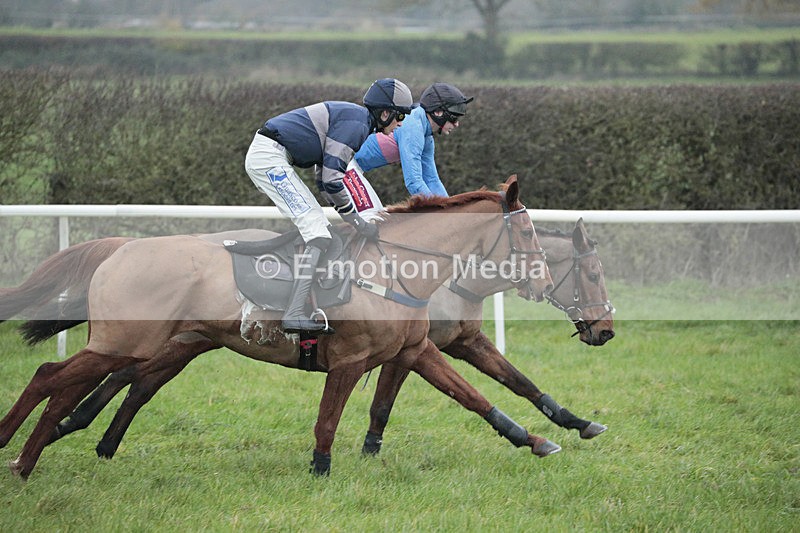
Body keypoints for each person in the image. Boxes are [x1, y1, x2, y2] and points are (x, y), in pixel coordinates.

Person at [244, 78, 413, 333]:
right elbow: (332, 179)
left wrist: (348, 215)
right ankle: (293, 313)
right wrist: (356, 220)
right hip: (269, 159)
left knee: (320, 230)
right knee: (317, 232)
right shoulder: (357, 125)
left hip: (273, 156)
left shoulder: (358, 122)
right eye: (400, 115)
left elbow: (324, 179)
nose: (401, 122)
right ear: (385, 112)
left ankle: (300, 304)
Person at [341, 82, 473, 221]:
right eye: (454, 117)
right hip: (343, 167)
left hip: (354, 168)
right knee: (374, 221)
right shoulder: (413, 127)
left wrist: (450, 210)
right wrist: (439, 212)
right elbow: (413, 182)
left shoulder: (426, 134)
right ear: (438, 113)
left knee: (381, 220)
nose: (457, 124)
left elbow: (431, 179)